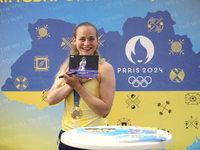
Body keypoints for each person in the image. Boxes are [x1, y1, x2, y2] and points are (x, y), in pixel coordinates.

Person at [47, 22, 116, 150]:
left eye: (91, 39)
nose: (86, 43)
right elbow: (51, 100)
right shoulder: (67, 67)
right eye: (82, 39)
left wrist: (78, 87)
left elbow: (104, 110)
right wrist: (72, 85)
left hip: (96, 136)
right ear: (74, 41)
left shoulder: (105, 68)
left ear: (97, 41)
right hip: (68, 136)